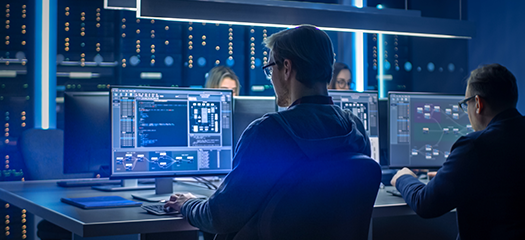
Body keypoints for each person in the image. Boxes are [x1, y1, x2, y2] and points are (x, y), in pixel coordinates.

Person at [165, 25, 373, 239]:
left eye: (270, 68)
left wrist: (188, 203)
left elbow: (219, 217)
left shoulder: (267, 133)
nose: (271, 77)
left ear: (286, 67)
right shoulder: (355, 129)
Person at [391, 63, 525, 239]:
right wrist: (450, 176)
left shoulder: (475, 146)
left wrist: (403, 178)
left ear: (478, 103)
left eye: (465, 104)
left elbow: (425, 203)